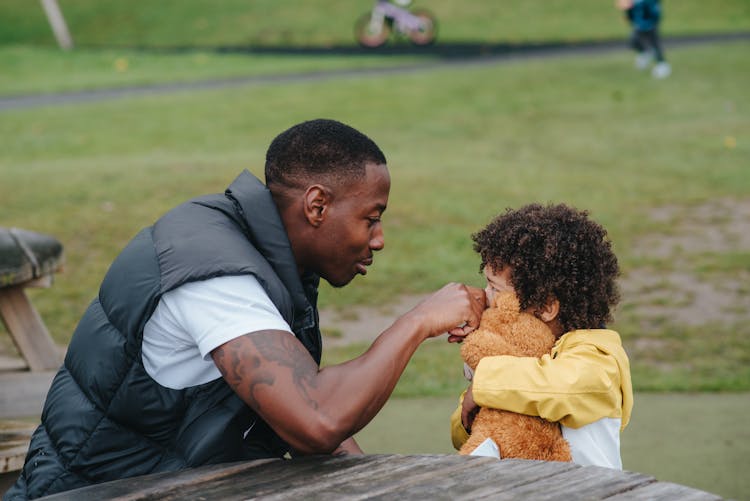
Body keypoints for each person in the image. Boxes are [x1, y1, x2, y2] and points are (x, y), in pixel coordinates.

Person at [5, 119, 485, 500]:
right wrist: (418, 320)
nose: (379, 239)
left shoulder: (268, 257)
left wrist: (371, 484)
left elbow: (293, 414)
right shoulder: (217, 275)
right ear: (316, 206)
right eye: (371, 218)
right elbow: (315, 420)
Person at [449, 203, 633, 469]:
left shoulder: (599, 358)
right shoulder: (516, 361)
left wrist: (484, 383)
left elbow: (563, 388)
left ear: (546, 307)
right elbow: (462, 432)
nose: (484, 297)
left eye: (495, 288)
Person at [617, 0, 671, 79]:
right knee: (633, 42)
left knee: (654, 45)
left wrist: (652, 23)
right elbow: (631, 13)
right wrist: (627, 10)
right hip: (639, 25)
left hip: (650, 25)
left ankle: (662, 66)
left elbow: (654, 11)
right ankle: (645, 54)